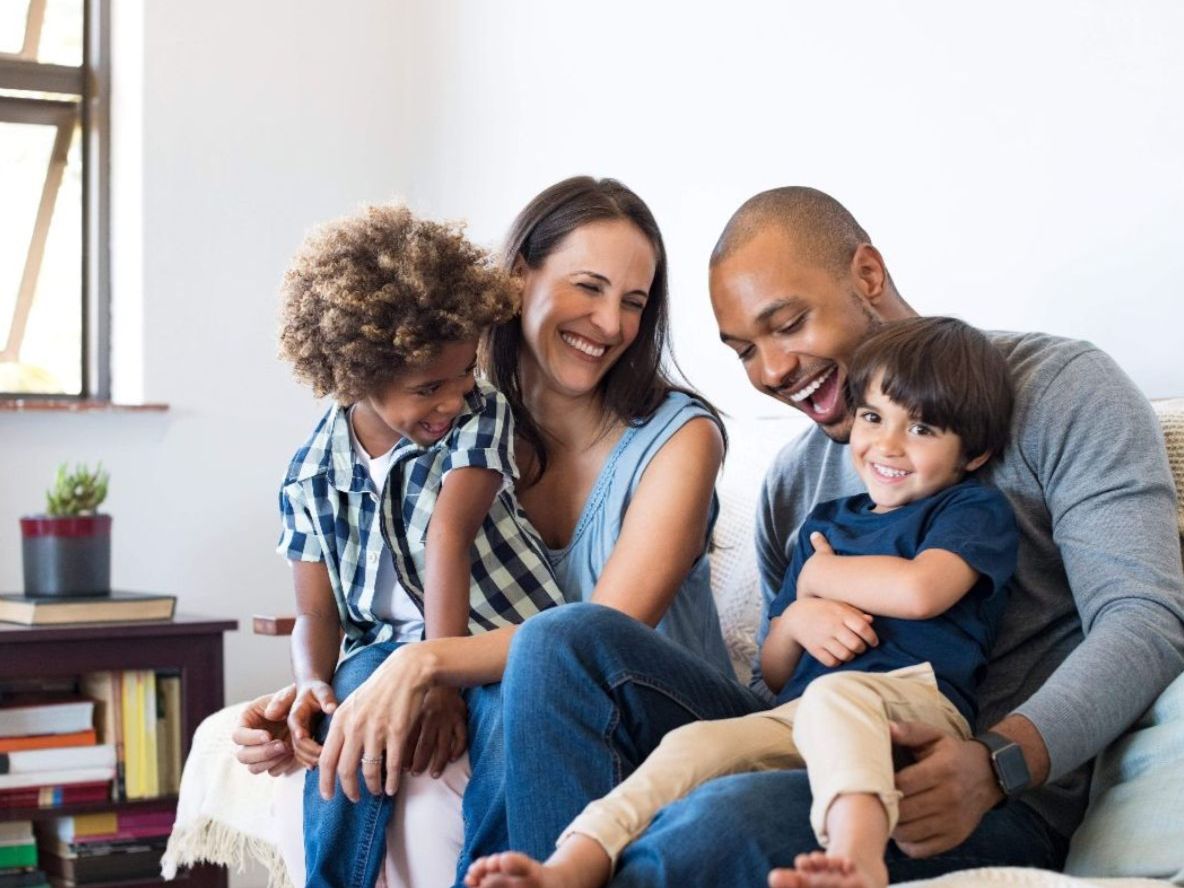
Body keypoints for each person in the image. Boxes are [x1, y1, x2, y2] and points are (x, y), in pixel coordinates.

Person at [490, 186, 1184, 885]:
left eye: (787, 324)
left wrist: (999, 762)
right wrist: (798, 617)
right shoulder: (795, 482)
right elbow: (777, 681)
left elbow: (1144, 621)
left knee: (715, 823)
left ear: (868, 277)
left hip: (972, 789)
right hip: (814, 737)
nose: (771, 372)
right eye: (743, 352)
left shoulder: (1062, 391)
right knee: (562, 642)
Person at [232, 177, 733, 886]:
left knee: (541, 665)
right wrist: (316, 693)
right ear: (519, 275)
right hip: (519, 687)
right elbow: (368, 589)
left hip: (653, 711)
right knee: (362, 701)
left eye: (633, 301)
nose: (612, 323)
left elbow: (600, 636)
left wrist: (426, 663)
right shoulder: (451, 415)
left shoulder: (679, 439)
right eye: (588, 287)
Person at [465, 316, 1018, 888]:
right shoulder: (826, 524)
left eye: (922, 430)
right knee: (693, 744)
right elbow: (775, 671)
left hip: (913, 707)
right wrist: (799, 614)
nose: (888, 445)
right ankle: (572, 863)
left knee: (837, 694)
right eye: (873, 417)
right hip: (797, 715)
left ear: (973, 454)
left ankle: (858, 859)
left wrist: (821, 577)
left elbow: (921, 590)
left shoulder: (968, 510)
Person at [273, 205, 567, 886]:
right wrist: (310, 682)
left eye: (464, 372)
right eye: (427, 388)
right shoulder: (311, 472)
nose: (452, 398)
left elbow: (448, 534)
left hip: (500, 635)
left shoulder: (479, 413)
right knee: (349, 715)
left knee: (506, 725)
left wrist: (439, 674)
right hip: (381, 649)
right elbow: (316, 613)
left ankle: (493, 876)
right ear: (355, 376)